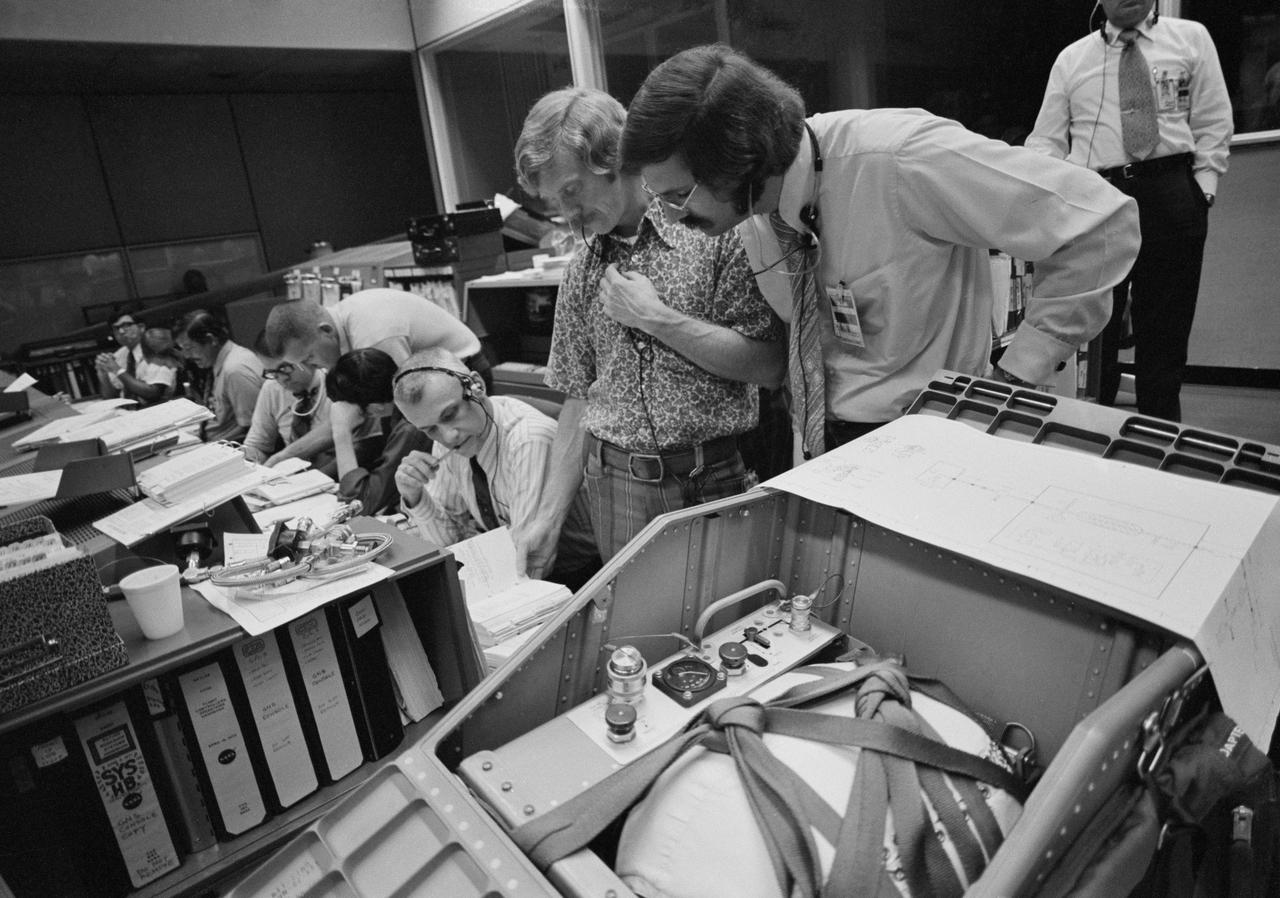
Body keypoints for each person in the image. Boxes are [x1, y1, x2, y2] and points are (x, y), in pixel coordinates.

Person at [620, 44, 1142, 457]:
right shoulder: (754, 210)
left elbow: (1100, 224)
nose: (671, 217)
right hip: (828, 443)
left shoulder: (901, 158)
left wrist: (1015, 377)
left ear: (740, 162)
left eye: (678, 196)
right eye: (657, 197)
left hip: (938, 438)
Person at [511, 87, 786, 577]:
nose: (566, 216)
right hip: (615, 488)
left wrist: (655, 317)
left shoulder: (713, 229)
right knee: (637, 644)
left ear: (613, 158)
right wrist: (548, 520)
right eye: (554, 203)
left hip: (713, 477)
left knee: (729, 626)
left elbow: (768, 366)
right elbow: (580, 398)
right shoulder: (581, 271)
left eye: (571, 191)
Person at [1026, 1, 1232, 422]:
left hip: (1172, 193)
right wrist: (1049, 194)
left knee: (1166, 331)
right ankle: (1092, 429)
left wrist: (1203, 190)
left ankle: (1159, 438)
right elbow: (1046, 141)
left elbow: (1213, 120)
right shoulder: (1073, 59)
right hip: (1098, 197)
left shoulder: (1191, 39)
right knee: (1093, 327)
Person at [393, 349, 600, 591]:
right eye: (430, 429)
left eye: (450, 414)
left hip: (575, 577)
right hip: (506, 567)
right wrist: (415, 496)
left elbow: (529, 560)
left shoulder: (528, 438)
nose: (448, 435)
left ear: (476, 385)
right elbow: (449, 543)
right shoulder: (449, 441)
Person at [263, 289, 488, 489]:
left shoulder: (373, 337)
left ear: (325, 330)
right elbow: (346, 418)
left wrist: (364, 488)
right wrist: (286, 455)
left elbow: (407, 409)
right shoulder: (342, 327)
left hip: (456, 385)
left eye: (310, 357)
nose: (313, 368)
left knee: (460, 473)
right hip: (431, 389)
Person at [324, 348, 432, 515]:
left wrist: (341, 433)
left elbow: (359, 505)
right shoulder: (396, 408)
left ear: (375, 408)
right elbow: (376, 450)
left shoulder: (410, 428)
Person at [242, 332, 334, 467]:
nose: (282, 379)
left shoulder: (333, 382)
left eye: (284, 368)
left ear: (303, 357)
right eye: (272, 372)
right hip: (292, 476)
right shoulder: (272, 388)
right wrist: (249, 463)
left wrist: (280, 458)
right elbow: (257, 445)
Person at [172, 309, 263, 443]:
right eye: (182, 349)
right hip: (210, 438)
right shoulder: (219, 362)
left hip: (229, 447)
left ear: (211, 339)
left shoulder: (235, 370)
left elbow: (252, 428)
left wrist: (205, 448)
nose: (186, 355)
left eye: (189, 348)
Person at [95, 312, 172, 406]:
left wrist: (117, 370)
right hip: (128, 412)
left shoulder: (157, 347)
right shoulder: (119, 355)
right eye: (116, 328)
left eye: (126, 325)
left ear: (141, 327)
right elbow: (110, 398)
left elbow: (153, 394)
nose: (121, 331)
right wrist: (103, 374)